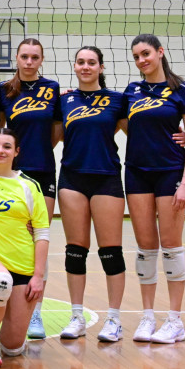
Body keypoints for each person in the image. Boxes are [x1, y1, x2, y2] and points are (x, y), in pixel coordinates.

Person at [124, 34, 185, 344]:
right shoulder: (131, 91)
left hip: (170, 174)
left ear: (160, 52)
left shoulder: (182, 89)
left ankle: (175, 321)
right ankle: (147, 317)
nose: (141, 60)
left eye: (146, 53)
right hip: (136, 174)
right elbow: (120, 122)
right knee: (145, 248)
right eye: (136, 56)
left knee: (171, 245)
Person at [57, 46, 128, 342]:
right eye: (81, 62)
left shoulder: (117, 100)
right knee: (75, 250)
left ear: (101, 67)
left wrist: (181, 136)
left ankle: (114, 320)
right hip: (72, 178)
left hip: (106, 177)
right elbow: (50, 138)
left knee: (111, 252)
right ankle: (77, 317)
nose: (86, 66)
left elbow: (139, 133)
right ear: (75, 66)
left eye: (91, 62)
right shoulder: (63, 100)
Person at [0, 38, 61, 339]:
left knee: (38, 237)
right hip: (12, 173)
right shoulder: (4, 90)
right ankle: (5, 305)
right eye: (25, 57)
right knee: (10, 236)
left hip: (43, 170)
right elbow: (0, 129)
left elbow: (56, 130)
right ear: (17, 59)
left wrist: (38, 151)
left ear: (41, 59)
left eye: (35, 57)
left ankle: (35, 312)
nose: (29, 62)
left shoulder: (53, 88)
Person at [0, 128, 50, 367]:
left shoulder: (29, 186)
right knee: (0, 281)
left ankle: (5, 329)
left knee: (13, 347)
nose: (0, 151)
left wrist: (38, 276)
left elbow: (42, 233)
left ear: (16, 151)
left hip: (23, 267)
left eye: (6, 146)